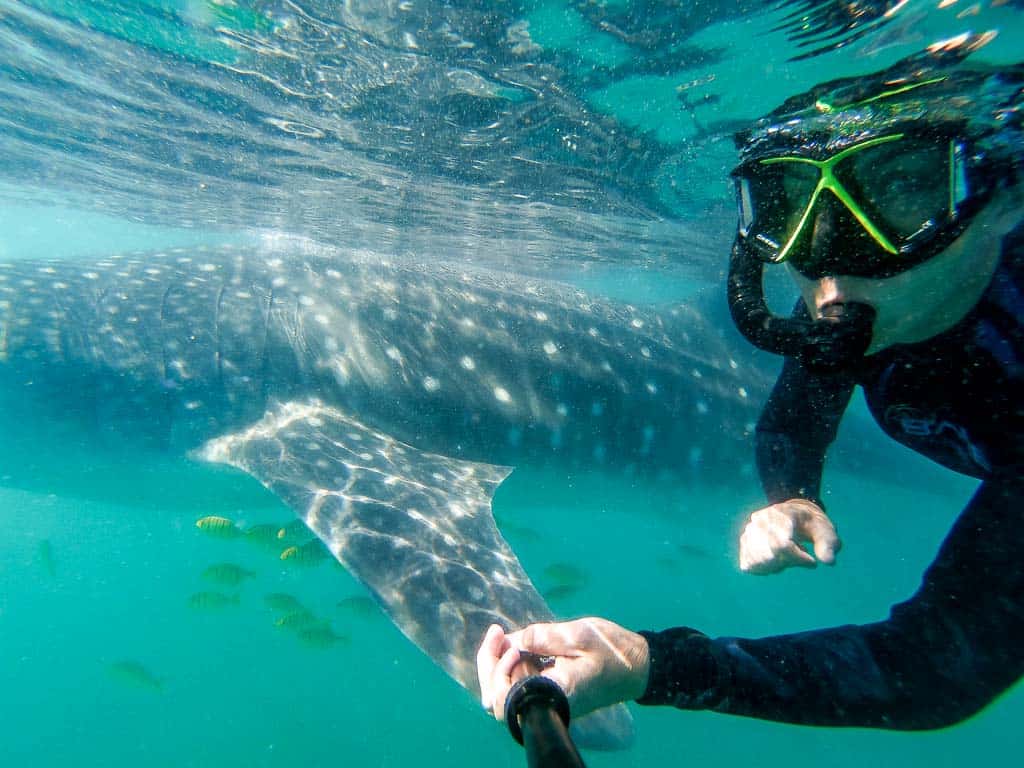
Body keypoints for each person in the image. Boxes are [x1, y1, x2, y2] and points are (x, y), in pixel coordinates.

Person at [478, 44, 1024, 731]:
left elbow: (930, 668)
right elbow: (790, 425)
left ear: (1006, 196)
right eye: (787, 205)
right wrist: (792, 494)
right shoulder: (863, 297)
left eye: (902, 192)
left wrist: (651, 663)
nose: (829, 275)